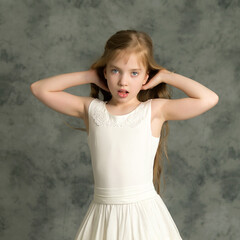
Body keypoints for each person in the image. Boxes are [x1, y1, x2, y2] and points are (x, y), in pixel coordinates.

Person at [30, 29, 219, 240]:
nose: (123, 81)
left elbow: (208, 99)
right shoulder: (92, 110)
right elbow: (40, 89)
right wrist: (88, 75)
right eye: (115, 71)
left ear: (147, 76)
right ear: (105, 72)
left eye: (134, 73)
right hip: (103, 217)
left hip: (144, 217)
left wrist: (165, 75)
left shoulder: (153, 111)